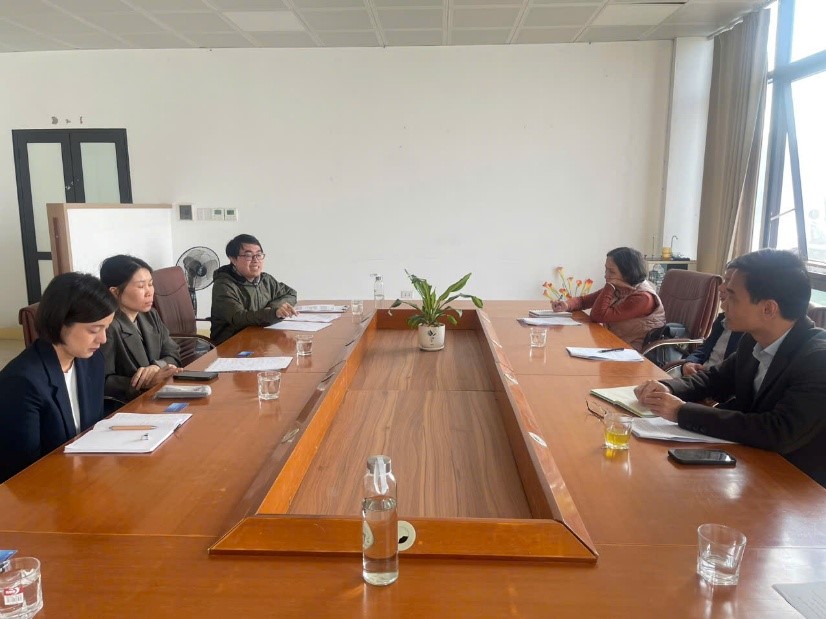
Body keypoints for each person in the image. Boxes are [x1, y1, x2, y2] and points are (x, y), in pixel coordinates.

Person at [635, 249, 826, 487]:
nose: (723, 305)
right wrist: (666, 388)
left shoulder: (818, 359)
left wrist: (681, 412)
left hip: (797, 486)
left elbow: (778, 431)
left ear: (768, 309)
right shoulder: (752, 340)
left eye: (732, 297)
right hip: (750, 464)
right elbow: (714, 380)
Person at [0, 272, 117, 483]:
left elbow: (92, 431)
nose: (103, 339)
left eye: (106, 328)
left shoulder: (92, 361)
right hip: (45, 489)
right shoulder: (22, 382)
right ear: (61, 323)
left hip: (85, 477)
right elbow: (22, 472)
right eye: (94, 330)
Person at [100, 255, 182, 403]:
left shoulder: (150, 315)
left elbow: (173, 353)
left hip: (158, 395)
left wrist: (157, 367)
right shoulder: (107, 327)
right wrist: (145, 382)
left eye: (150, 284)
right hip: (128, 404)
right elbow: (102, 381)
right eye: (141, 286)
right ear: (115, 292)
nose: (149, 292)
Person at [552, 247, 665, 351]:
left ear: (627, 273)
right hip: (616, 343)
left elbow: (597, 316)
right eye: (606, 270)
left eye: (611, 271)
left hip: (635, 353)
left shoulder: (643, 298)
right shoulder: (621, 287)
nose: (606, 275)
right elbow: (583, 301)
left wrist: (609, 286)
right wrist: (566, 305)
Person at [210, 234, 298, 345]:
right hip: (231, 344)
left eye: (259, 255)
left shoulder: (266, 280)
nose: (255, 260)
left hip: (260, 340)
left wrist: (272, 308)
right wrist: (273, 313)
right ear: (233, 259)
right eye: (248, 255)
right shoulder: (224, 285)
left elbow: (291, 294)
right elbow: (239, 318)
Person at [680, 266, 743, 376]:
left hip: (712, 380)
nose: (720, 288)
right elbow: (705, 347)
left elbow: (727, 377)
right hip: (702, 376)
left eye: (728, 282)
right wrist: (690, 362)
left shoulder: (749, 336)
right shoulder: (722, 319)